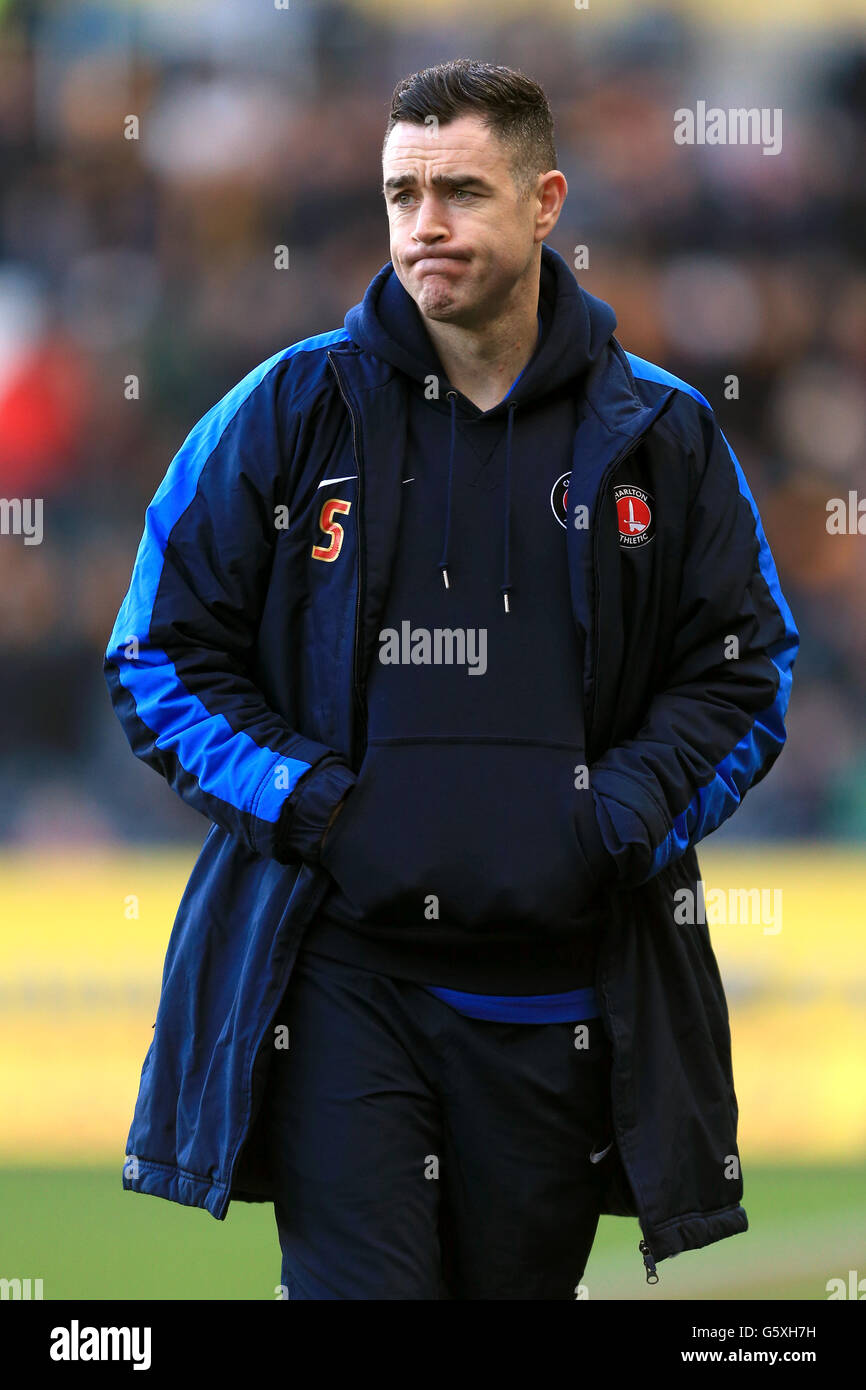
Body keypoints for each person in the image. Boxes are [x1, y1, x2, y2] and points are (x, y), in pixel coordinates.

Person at [104, 59, 798, 1300]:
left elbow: (743, 674)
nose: (423, 224)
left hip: (559, 1006)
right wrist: (314, 803)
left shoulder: (664, 431)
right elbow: (156, 653)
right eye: (400, 192)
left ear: (544, 203)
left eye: (460, 191)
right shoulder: (285, 410)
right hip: (335, 990)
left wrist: (617, 815)